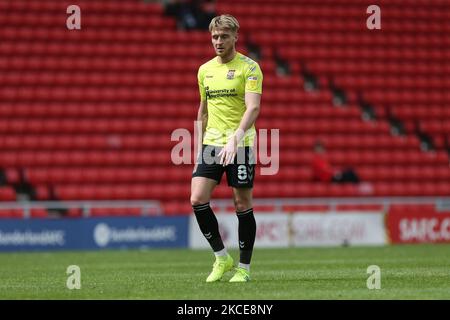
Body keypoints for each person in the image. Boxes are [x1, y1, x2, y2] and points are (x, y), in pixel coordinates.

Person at [190, 14, 263, 283]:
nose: (218, 42)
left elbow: (253, 107)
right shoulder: (204, 70)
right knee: (197, 199)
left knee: (242, 203)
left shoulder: (250, 68)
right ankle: (222, 257)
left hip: (241, 144)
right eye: (214, 37)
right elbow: (203, 110)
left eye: (223, 36)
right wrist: (199, 145)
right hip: (212, 143)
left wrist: (235, 138)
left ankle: (244, 268)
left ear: (235, 37)